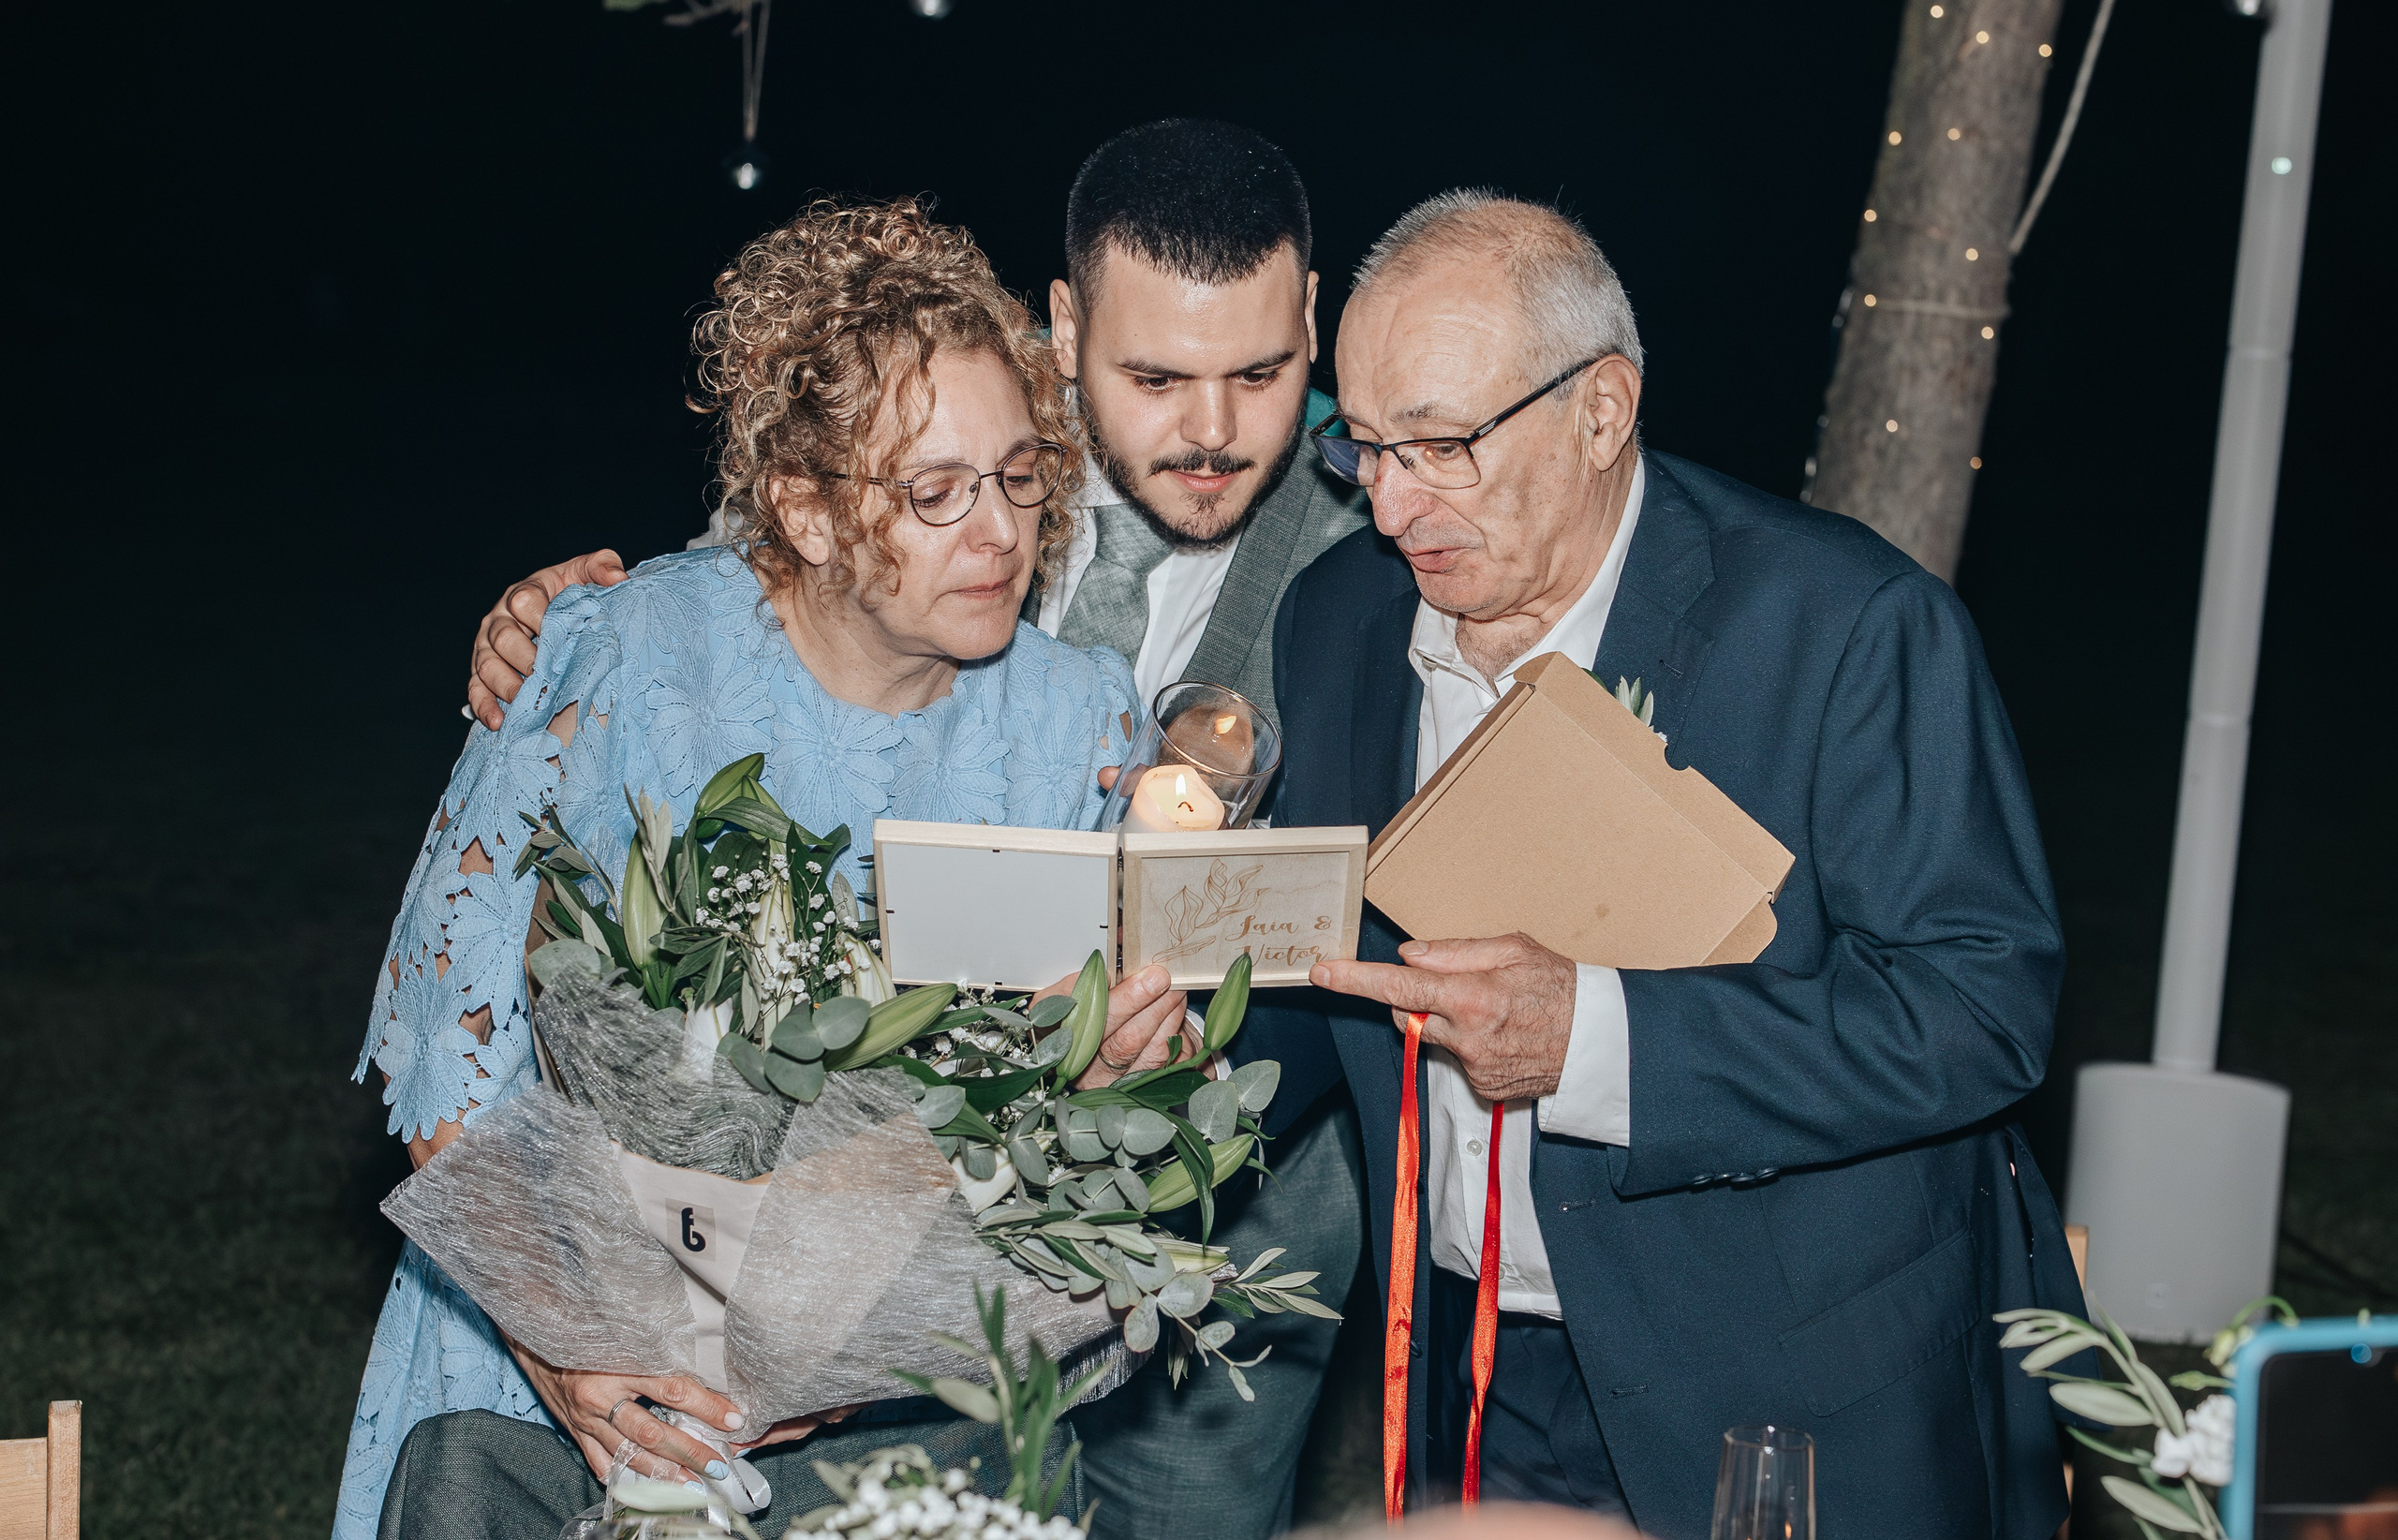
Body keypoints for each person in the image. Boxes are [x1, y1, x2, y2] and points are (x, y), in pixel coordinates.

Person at [451, 120, 1372, 1540]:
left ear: (1316, 318)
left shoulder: (1393, 540)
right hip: (819, 1219)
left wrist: (1195, 1049)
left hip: (1231, 1219)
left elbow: (1395, 893)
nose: (1211, 427)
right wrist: (555, 637)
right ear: (1062, 330)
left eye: (1262, 372)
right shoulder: (964, 424)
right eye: (1155, 377)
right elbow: (748, 634)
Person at [339, 197, 1207, 1540]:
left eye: (1022, 475)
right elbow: (457, 1047)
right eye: (933, 492)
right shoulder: (623, 661)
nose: (996, 533)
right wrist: (565, 1352)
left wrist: (1122, 1061)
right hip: (550, 1355)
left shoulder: (1080, 726)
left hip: (902, 1410)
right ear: (802, 505)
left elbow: (1074, 1108)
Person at [1236, 191, 2088, 1538]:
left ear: (1602, 408)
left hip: (1776, 1377)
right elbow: (1328, 965)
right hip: (1466, 1366)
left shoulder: (1848, 629)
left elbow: (1979, 1009)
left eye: (1445, 444)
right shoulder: (1337, 619)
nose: (1392, 506)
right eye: (1365, 444)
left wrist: (1597, 1038)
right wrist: (1169, 1048)